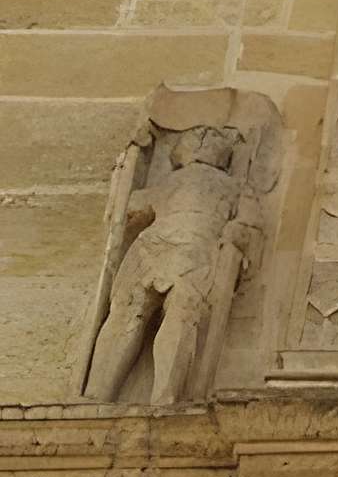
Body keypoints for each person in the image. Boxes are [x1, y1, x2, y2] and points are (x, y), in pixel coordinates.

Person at [85, 126, 255, 406]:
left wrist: (238, 234)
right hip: (154, 246)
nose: (203, 140)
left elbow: (248, 226)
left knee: (178, 316)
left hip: (195, 250)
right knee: (127, 313)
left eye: (211, 137)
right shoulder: (170, 182)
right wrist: (124, 184)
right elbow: (134, 210)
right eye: (198, 136)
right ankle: (99, 392)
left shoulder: (236, 187)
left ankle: (164, 395)